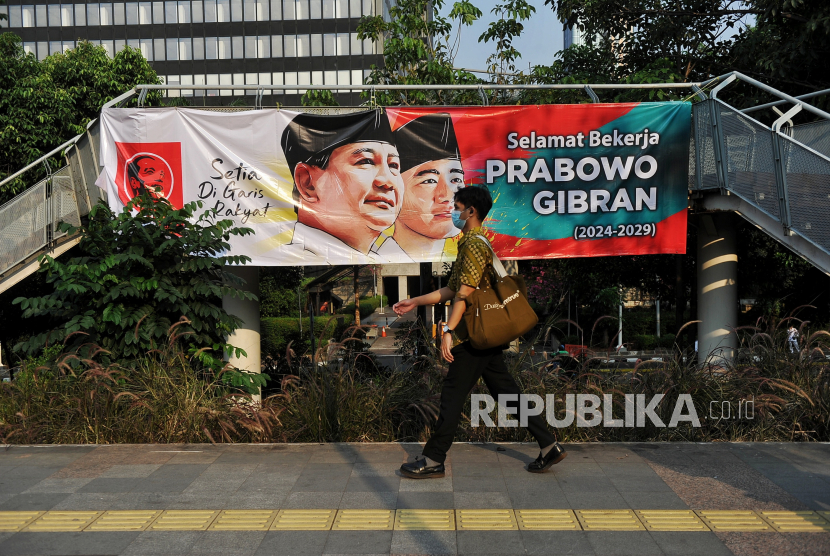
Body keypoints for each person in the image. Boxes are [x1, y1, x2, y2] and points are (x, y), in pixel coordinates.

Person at [393, 185, 566, 478]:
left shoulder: (474, 244)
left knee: (452, 395)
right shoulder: (473, 243)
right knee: (507, 392)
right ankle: (549, 445)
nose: (453, 212)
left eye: (457, 207)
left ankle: (434, 459)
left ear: (471, 211)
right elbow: (452, 289)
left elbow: (463, 294)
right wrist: (415, 301)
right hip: (482, 333)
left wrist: (448, 330)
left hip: (473, 334)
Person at [280, 111, 404, 264]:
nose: (388, 182)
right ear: (308, 183)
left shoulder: (384, 257)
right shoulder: (287, 258)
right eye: (366, 161)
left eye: (393, 165)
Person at [371, 113, 463, 262]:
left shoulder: (457, 260)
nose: (447, 196)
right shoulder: (376, 258)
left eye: (456, 179)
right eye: (429, 181)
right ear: (394, 190)